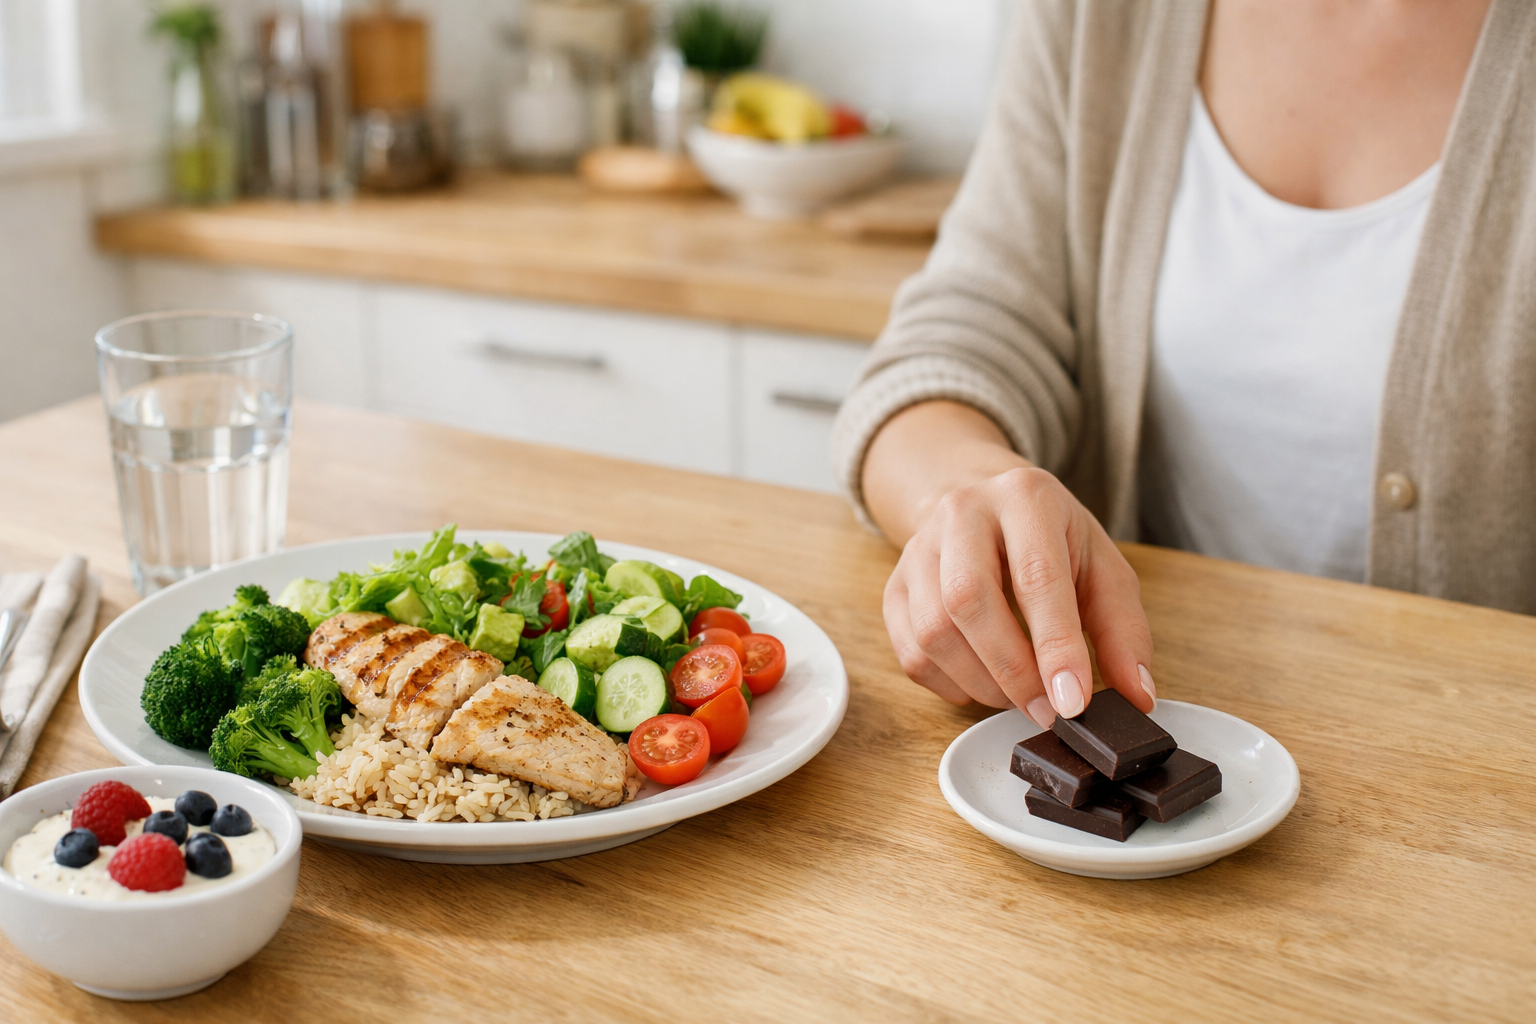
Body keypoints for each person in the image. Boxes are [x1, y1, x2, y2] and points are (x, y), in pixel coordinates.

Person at [830, 0, 1535, 730]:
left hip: (1481, 757)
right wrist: (969, 498)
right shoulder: (1098, 17)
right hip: (1170, 700)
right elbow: (956, 335)